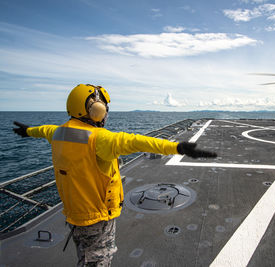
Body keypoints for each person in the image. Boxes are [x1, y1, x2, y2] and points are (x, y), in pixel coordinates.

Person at [13, 84, 216, 266]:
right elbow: (137, 141)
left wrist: (28, 131)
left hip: (74, 214)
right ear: (95, 110)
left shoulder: (58, 133)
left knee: (84, 255)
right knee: (98, 260)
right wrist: (177, 147)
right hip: (97, 218)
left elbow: (43, 130)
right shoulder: (100, 138)